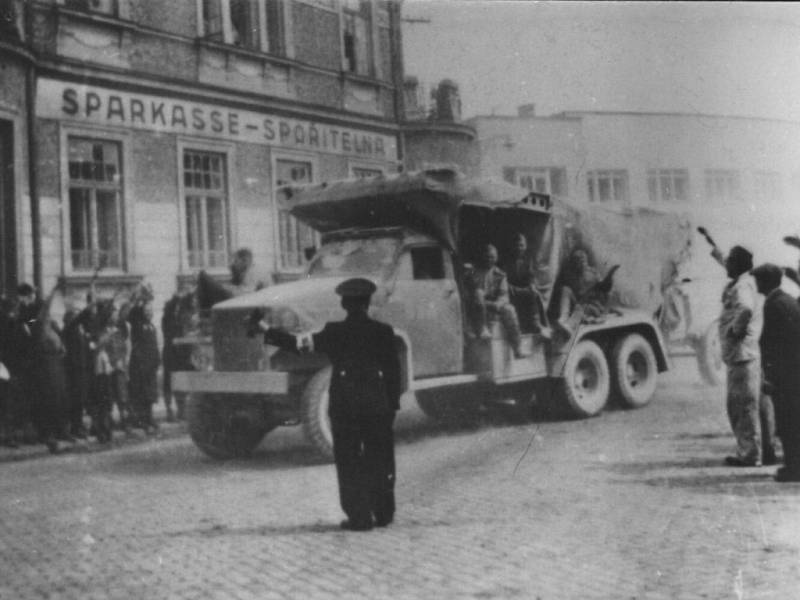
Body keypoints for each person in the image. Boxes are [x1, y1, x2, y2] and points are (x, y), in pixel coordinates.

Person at [249, 277, 401, 531]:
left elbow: (297, 344)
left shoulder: (333, 332)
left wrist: (264, 328)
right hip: (377, 404)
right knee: (380, 458)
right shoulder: (383, 332)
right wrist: (392, 405)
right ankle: (384, 513)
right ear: (368, 302)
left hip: (345, 405)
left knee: (350, 461)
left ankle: (359, 517)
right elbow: (393, 373)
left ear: (343, 303)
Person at [711, 244, 767, 467]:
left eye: (731, 261)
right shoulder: (742, 280)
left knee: (743, 406)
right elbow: (724, 261)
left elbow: (745, 309)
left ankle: (750, 454)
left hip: (742, 355)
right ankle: (748, 451)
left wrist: (735, 330)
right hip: (741, 355)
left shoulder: (742, 285)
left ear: (739, 264)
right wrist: (712, 245)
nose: (727, 264)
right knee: (739, 405)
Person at [751, 264, 800, 481]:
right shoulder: (788, 300)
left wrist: (769, 377)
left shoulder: (773, 305)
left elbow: (773, 346)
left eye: (758, 280)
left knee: (787, 422)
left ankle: (793, 469)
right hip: (793, 373)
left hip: (785, 376)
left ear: (765, 282)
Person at [463, 244, 529, 359]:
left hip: (492, 305)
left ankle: (517, 348)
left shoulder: (500, 275)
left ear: (496, 258)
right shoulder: (472, 272)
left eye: (492, 257)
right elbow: (467, 292)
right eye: (487, 256)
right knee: (478, 294)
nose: (489, 259)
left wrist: (498, 304)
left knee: (510, 309)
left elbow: (504, 295)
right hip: (475, 304)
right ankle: (482, 328)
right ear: (482, 257)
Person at [553, 248, 619, 337]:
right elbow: (560, 288)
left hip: (591, 305)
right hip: (578, 302)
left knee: (581, 308)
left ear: (586, 261)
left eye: (583, 260)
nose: (581, 262)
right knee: (565, 289)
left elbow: (604, 288)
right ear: (573, 263)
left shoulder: (593, 273)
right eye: (578, 260)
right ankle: (563, 318)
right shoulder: (569, 274)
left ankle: (570, 325)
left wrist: (610, 275)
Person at [502, 233, 551, 339]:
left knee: (534, 293)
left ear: (525, 246)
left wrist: (532, 285)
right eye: (517, 245)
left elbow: (531, 276)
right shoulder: (506, 261)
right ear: (513, 246)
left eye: (522, 245)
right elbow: (503, 278)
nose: (519, 248)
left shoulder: (528, 261)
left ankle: (538, 324)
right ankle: (534, 325)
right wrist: (513, 288)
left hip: (523, 290)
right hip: (510, 290)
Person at [128, 297, 161, 433]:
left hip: (150, 365)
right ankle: (143, 421)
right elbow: (132, 316)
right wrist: (138, 302)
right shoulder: (138, 325)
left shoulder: (151, 326)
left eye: (150, 311)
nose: (149, 313)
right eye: (146, 311)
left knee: (150, 395)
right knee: (141, 395)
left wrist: (157, 360)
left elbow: (154, 345)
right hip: (140, 366)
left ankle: (150, 418)